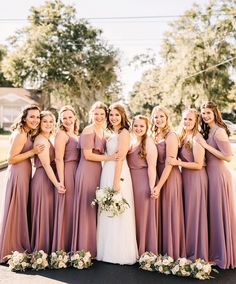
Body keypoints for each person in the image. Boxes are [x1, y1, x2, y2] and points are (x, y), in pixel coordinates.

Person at [71, 101, 116, 257]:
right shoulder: (88, 130)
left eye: (102, 114)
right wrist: (110, 158)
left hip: (98, 171)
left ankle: (93, 245)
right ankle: (83, 247)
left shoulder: (103, 131)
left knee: (94, 208)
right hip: (86, 171)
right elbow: (88, 155)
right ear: (91, 114)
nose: (99, 117)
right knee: (86, 208)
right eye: (96, 114)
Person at [0, 105, 44, 262]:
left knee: (19, 208)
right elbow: (11, 159)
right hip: (18, 174)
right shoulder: (20, 135)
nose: (35, 120)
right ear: (24, 117)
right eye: (32, 116)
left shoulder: (26, 133)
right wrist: (33, 152)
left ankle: (14, 244)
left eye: (38, 117)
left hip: (23, 173)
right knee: (16, 208)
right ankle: (11, 247)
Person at [97, 102, 138, 265]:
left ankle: (119, 252)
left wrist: (115, 182)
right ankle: (106, 249)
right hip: (107, 171)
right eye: (111, 115)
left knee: (118, 211)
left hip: (118, 173)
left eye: (117, 115)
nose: (113, 118)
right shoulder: (111, 133)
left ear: (122, 116)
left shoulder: (124, 133)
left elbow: (120, 158)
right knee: (107, 211)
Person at [197, 101, 236, 269]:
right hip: (210, 175)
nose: (205, 116)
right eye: (203, 113)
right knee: (214, 213)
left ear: (215, 113)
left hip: (219, 175)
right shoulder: (208, 130)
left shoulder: (219, 131)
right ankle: (216, 251)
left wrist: (206, 146)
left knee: (220, 213)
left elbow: (228, 156)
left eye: (208, 113)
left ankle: (223, 254)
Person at [168, 109, 208, 261]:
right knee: (189, 214)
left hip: (197, 179)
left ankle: (196, 252)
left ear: (196, 121)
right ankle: (188, 248)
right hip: (186, 178)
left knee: (195, 215)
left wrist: (178, 162)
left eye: (190, 119)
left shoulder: (197, 138)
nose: (187, 122)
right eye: (185, 119)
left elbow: (198, 164)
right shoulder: (184, 136)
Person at [151, 106, 186, 260]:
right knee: (161, 213)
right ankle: (160, 249)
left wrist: (159, 185)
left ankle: (173, 252)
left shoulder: (171, 135)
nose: (158, 120)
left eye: (161, 116)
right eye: (156, 117)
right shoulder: (154, 135)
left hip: (170, 177)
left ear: (167, 117)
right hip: (158, 175)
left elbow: (170, 163)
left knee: (170, 212)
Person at [31, 111, 65, 253]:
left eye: (51, 121)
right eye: (45, 121)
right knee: (43, 213)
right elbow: (46, 165)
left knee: (48, 213)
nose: (48, 124)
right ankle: (41, 249)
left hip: (48, 179)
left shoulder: (47, 138)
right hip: (43, 180)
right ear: (40, 123)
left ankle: (46, 249)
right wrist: (57, 183)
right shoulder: (41, 140)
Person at [127, 115, 160, 256]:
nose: (138, 128)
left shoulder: (148, 142)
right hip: (131, 182)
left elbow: (152, 166)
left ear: (147, 128)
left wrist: (152, 187)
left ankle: (146, 250)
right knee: (134, 216)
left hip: (143, 182)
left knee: (144, 215)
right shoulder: (132, 141)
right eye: (136, 125)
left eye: (142, 126)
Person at [52, 106, 80, 252]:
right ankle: (63, 245)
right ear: (60, 120)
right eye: (64, 118)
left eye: (70, 117)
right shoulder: (62, 135)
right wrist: (61, 181)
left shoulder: (75, 134)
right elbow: (58, 159)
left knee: (74, 208)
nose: (68, 120)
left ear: (75, 117)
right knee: (67, 207)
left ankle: (73, 243)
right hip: (67, 172)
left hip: (78, 172)